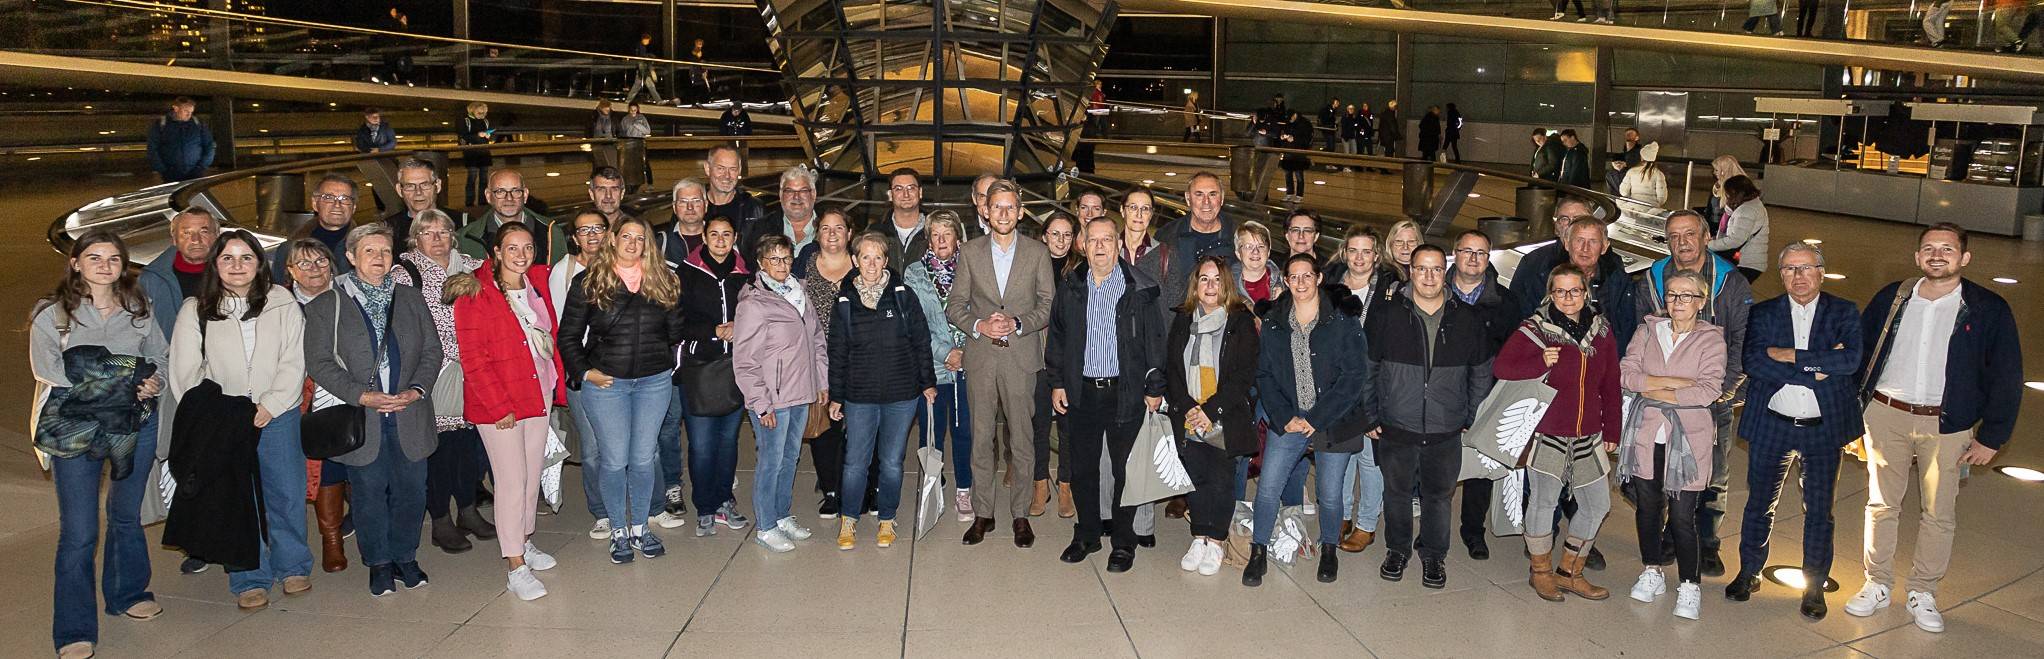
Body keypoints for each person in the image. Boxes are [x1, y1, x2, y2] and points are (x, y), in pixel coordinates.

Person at [1846, 223, 2023, 632]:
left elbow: (2006, 376)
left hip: (1947, 424)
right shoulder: (1894, 297)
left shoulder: (1986, 308)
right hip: (1885, 413)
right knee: (1880, 503)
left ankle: (1923, 590)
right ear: (1917, 257)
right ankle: (1877, 583)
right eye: (1928, 248)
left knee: (1938, 512)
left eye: (1947, 248)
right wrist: (1852, 417)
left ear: (1965, 258)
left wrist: (1992, 437)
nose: (1937, 255)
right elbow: (1860, 353)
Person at [34, 231, 169, 659]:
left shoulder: (139, 309)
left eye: (113, 258)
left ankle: (127, 594)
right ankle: (74, 628)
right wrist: (128, 374)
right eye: (94, 257)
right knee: (79, 531)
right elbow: (53, 371)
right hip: (77, 429)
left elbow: (160, 357)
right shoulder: (52, 315)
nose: (104, 265)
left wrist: (152, 381)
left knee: (125, 515)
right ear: (75, 263)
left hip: (136, 424)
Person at [165, 230, 309, 610]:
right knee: (235, 498)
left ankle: (293, 564)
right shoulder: (197, 308)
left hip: (276, 414)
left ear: (260, 263)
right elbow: (184, 371)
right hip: (224, 421)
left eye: (246, 257)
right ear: (214, 264)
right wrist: (217, 415)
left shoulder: (282, 302)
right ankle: (249, 575)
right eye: (227, 258)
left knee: (286, 493)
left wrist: (272, 404)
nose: (237, 266)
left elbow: (294, 360)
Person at [302, 224, 444, 598]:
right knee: (367, 492)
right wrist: (361, 396)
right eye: (369, 251)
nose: (379, 258)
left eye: (385, 251)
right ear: (350, 257)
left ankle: (405, 556)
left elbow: (433, 350)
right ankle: (378, 562)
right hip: (362, 417)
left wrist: (417, 390)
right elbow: (319, 363)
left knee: (412, 491)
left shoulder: (410, 298)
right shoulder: (326, 305)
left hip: (409, 413)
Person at [1726, 243, 1862, 620]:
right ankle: (1749, 571)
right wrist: (1816, 367)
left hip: (1822, 430)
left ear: (1821, 271)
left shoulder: (1843, 311)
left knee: (1819, 510)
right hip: (1773, 423)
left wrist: (1790, 355)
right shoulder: (1765, 313)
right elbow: (1754, 361)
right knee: (1759, 505)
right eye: (1789, 269)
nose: (1797, 277)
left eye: (1805, 268)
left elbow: (1849, 360)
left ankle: (1814, 585)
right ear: (1780, 273)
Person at [559, 216, 688, 563]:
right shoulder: (589, 281)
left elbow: (675, 333)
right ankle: (618, 528)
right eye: (626, 236)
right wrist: (586, 373)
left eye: (640, 238)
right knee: (614, 460)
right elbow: (567, 336)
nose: (633, 243)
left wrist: (663, 359)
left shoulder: (663, 281)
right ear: (613, 239)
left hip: (653, 382)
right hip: (608, 385)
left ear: (648, 244)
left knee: (644, 458)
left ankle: (640, 528)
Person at [1365, 245, 1494, 590]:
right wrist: (1371, 413)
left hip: (1445, 426)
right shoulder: (1388, 315)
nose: (1429, 276)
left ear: (1445, 272)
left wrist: (1470, 414)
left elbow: (1481, 373)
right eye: (1421, 269)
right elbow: (1369, 367)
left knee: (1439, 496)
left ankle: (1434, 555)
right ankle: (1397, 550)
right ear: (1410, 271)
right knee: (1396, 493)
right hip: (1398, 423)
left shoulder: (1465, 319)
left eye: (1436, 269)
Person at [448, 221, 563, 601]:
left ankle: (525, 541)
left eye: (527, 247)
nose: (521, 255)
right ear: (495, 252)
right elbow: (473, 358)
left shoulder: (533, 286)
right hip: (498, 403)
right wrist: (499, 407)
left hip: (535, 392)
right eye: (512, 248)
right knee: (511, 481)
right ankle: (514, 565)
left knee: (531, 476)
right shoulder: (476, 292)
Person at [1634, 210, 1752, 578]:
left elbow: (1741, 341)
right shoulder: (1653, 279)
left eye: (1689, 234)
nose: (1682, 242)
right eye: (1673, 235)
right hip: (1658, 401)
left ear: (1705, 237)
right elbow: (1642, 334)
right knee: (1660, 469)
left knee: (1712, 472)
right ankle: (1672, 534)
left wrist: (1722, 392)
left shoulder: (1730, 282)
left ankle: (1708, 541)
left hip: (1710, 398)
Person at [1495, 264, 1623, 603]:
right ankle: (1540, 572)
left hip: (1589, 435)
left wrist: (1613, 426)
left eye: (1575, 291)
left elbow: (1611, 383)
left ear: (1586, 292)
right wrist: (1540, 361)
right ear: (1550, 294)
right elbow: (1502, 367)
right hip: (1547, 432)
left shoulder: (1602, 331)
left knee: (1598, 505)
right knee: (1543, 502)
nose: (1569, 298)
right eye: (1561, 291)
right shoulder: (1535, 329)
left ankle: (1569, 572)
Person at [1046, 216, 1167, 571]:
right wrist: (1056, 381)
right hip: (1081, 392)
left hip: (1124, 393)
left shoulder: (1140, 288)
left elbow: (1155, 341)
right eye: (1093, 240)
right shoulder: (1071, 286)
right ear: (1083, 244)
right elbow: (1057, 338)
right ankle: (1086, 534)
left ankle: (1124, 542)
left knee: (1124, 471)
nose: (1100, 247)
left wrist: (1154, 387)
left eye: (1107, 240)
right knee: (1082, 468)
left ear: (1118, 244)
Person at [1245, 252, 1371, 586]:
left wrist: (1316, 418)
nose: (1300, 283)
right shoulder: (1273, 323)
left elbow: (1354, 376)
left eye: (1306, 276)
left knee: (1330, 494)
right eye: (1293, 277)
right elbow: (1265, 375)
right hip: (1287, 419)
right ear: (1285, 282)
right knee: (1268, 488)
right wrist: (1285, 416)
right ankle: (1257, 550)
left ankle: (1329, 547)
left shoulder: (1343, 322)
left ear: (1318, 279)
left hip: (1333, 420)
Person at [944, 180, 1054, 548]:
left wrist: (1019, 323)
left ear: (1020, 212)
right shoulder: (970, 253)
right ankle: (983, 513)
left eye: (1010, 207)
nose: (1003, 214)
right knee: (981, 440)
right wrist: (979, 325)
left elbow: (1047, 304)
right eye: (997, 207)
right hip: (982, 359)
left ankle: (1020, 514)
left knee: (1022, 440)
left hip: (1021, 358)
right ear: (984, 212)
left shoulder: (1037, 253)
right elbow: (955, 305)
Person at [1619, 269, 1727, 621]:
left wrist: (1653, 388)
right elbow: (1626, 375)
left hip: (1689, 440)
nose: (1677, 302)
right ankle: (1652, 570)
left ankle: (1690, 585)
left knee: (1682, 517)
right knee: (1647, 509)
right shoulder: (1647, 330)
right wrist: (1675, 384)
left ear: (1701, 301)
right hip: (1647, 435)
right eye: (1672, 295)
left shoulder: (1712, 340)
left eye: (1686, 296)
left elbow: (1709, 390)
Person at [390, 210, 494, 555]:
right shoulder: (405, 274)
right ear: (414, 239)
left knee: (467, 446)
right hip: (434, 371)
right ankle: (440, 519)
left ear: (454, 235)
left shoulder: (474, 266)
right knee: (439, 449)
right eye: (427, 232)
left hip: (475, 369)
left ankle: (467, 509)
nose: (436, 239)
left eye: (444, 231)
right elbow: (407, 329)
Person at [829, 232, 937, 549]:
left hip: (901, 394)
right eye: (865, 257)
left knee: (891, 462)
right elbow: (837, 352)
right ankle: (848, 520)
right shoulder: (845, 301)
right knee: (855, 463)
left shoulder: (903, 295)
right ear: (855, 260)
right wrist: (837, 395)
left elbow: (921, 341)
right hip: (859, 396)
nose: (872, 264)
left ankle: (886, 520)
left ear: (886, 261)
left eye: (878, 257)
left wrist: (927, 382)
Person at [1163, 255, 1260, 577]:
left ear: (1226, 285)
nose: (1209, 285)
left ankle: (1216, 540)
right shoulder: (1183, 318)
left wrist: (1209, 410)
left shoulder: (1239, 321)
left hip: (1223, 415)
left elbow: (1243, 375)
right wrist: (1189, 407)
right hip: (1189, 413)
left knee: (1220, 481)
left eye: (1216, 279)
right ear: (1195, 284)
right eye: (1204, 279)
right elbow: (1173, 368)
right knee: (1195, 478)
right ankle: (1199, 536)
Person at [732, 234, 829, 552]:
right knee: (770, 462)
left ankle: (782, 514)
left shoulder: (800, 291)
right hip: (772, 399)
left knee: (790, 458)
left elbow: (816, 339)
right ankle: (765, 525)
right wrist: (760, 404)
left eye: (786, 258)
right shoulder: (752, 303)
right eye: (774, 259)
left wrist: (821, 382)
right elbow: (744, 361)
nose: (781, 265)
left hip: (801, 393)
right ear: (760, 263)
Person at [1447, 229, 1523, 561]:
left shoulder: (1505, 301)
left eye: (1481, 253)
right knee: (1439, 464)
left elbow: (1515, 351)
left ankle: (1473, 531)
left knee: (1479, 466)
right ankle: (1432, 532)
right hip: (1439, 393)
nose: (1474, 259)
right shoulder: (1433, 291)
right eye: (1467, 251)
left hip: (1486, 395)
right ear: (1455, 254)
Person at [678, 216, 755, 537]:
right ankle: (705, 507)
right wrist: (713, 331)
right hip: (698, 369)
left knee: (728, 442)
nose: (721, 240)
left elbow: (757, 316)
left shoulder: (746, 275)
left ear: (735, 237)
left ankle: (725, 500)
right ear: (704, 237)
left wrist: (741, 327)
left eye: (727, 234)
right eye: (714, 234)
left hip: (736, 370)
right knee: (701, 445)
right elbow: (675, 321)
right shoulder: (686, 273)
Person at [281, 239, 354, 575]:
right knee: (324, 466)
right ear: (290, 270)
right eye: (304, 263)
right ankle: (331, 540)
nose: (314, 269)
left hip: (351, 389)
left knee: (353, 459)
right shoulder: (280, 306)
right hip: (302, 396)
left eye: (321, 261)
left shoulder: (349, 296)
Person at [1325, 226, 1396, 553]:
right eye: (1353, 250)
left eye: (1366, 251)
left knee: (1369, 457)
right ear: (1344, 253)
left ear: (1377, 256)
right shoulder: (1329, 286)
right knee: (1342, 453)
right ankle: (1340, 515)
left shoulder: (1389, 290)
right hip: (1338, 384)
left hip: (1372, 387)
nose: (1359, 258)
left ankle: (1367, 522)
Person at [547, 211, 617, 538]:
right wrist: (584, 371)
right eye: (583, 230)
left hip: (620, 371)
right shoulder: (564, 273)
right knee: (591, 448)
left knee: (621, 445)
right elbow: (567, 332)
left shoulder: (623, 265)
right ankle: (601, 511)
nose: (591, 235)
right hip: (585, 373)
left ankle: (625, 502)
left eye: (597, 228)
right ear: (575, 237)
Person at [904, 211, 977, 523]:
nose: (942, 240)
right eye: (935, 234)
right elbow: (913, 324)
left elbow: (985, 313)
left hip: (969, 363)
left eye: (947, 233)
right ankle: (934, 486)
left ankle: (964, 490)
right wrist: (946, 352)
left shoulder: (974, 268)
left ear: (957, 236)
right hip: (931, 365)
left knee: (964, 432)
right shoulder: (914, 274)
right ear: (928, 239)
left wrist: (965, 352)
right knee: (931, 434)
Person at [800, 207, 854, 517]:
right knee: (824, 427)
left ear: (850, 233)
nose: (832, 233)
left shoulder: (862, 265)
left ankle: (859, 486)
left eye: (838, 228)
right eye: (825, 228)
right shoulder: (804, 267)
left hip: (857, 360)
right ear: (817, 234)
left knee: (857, 426)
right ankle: (830, 489)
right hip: (816, 361)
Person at [1036, 212, 1081, 516]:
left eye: (1067, 235)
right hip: (1037, 356)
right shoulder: (1032, 265)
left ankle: (1066, 484)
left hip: (1069, 358)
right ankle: (1040, 483)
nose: (1061, 241)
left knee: (1067, 426)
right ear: (1044, 236)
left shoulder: (1080, 269)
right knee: (1038, 422)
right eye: (1055, 234)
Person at [1507, 196, 1606, 318]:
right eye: (1564, 219)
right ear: (1556, 227)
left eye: (1578, 219)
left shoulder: (1610, 265)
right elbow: (1515, 311)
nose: (1570, 225)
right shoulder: (1534, 262)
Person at [1161, 173, 1236, 308]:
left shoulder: (1237, 237)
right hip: (1178, 322)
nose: (1206, 202)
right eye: (1199, 194)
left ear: (1222, 198)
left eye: (1213, 194)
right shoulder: (1168, 236)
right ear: (1188, 198)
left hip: (1227, 322)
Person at [273, 174, 361, 278]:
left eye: (345, 198)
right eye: (328, 198)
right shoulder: (289, 249)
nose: (337, 204)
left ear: (354, 207)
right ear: (315, 204)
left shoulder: (365, 246)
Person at [457, 169, 549, 261]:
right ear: (488, 196)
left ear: (525, 195)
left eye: (515, 191)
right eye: (500, 192)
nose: (509, 198)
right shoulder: (466, 238)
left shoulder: (550, 232)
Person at [703, 145, 771, 250]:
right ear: (707, 168)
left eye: (733, 169)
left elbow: (765, 252)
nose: (727, 176)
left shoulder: (755, 208)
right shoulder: (692, 207)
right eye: (720, 168)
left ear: (739, 170)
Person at [1708, 175, 1771, 281]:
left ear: (1737, 193)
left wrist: (1709, 244)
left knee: (1731, 293)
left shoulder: (1746, 210)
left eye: (1728, 193)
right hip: (1750, 261)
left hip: (1747, 263)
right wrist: (1730, 207)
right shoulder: (1753, 204)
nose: (1727, 196)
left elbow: (1735, 240)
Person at [386, 159, 464, 242]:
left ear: (438, 186)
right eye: (410, 186)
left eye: (425, 185)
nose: (418, 192)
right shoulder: (388, 230)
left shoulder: (462, 223)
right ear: (399, 190)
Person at [145, 96, 214, 183]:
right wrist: (162, 170)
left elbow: (209, 145)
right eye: (186, 111)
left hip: (195, 172)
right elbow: (152, 148)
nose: (189, 115)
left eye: (191, 112)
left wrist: (201, 167)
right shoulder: (161, 124)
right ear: (176, 108)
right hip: (170, 174)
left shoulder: (198, 124)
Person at [878, 168, 930, 265]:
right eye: (898, 189)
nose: (906, 194)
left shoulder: (935, 231)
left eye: (911, 188)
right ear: (890, 195)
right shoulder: (876, 231)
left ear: (920, 192)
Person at [1232, 221, 1283, 314]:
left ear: (1268, 252)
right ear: (1238, 254)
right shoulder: (1228, 286)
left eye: (1261, 246)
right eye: (1248, 247)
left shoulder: (1285, 282)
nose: (1255, 251)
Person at [779, 166, 822, 270]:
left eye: (803, 191)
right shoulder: (761, 228)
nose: (796, 197)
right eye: (789, 191)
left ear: (813, 194)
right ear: (780, 196)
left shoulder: (831, 231)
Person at [458, 102, 494, 208]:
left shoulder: (486, 121)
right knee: (472, 178)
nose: (482, 115)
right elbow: (462, 135)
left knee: (484, 179)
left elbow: (491, 135)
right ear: (472, 111)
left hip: (484, 152)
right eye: (480, 113)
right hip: (471, 153)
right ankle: (469, 204)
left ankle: (483, 202)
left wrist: (488, 135)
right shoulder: (465, 121)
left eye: (484, 113)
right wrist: (478, 135)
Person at [1619, 142, 1668, 211]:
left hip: (1633, 205)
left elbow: (1624, 192)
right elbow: (1662, 197)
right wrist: (1656, 204)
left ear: (1642, 157)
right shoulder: (1658, 174)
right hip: (1650, 208)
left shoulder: (1632, 171)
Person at [1277, 110, 1313, 202]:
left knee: (1299, 175)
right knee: (1287, 174)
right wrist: (1283, 138)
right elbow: (1283, 132)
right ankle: (1289, 193)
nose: (1290, 121)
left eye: (1291, 119)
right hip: (1288, 151)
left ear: (1295, 115)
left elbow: (1307, 139)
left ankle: (1299, 195)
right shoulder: (1288, 122)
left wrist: (1294, 139)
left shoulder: (1305, 124)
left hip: (1299, 153)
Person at [619, 103, 654, 189]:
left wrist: (637, 125)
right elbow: (622, 132)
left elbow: (647, 131)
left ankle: (650, 183)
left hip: (640, 143)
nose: (633, 112)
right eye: (631, 110)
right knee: (629, 164)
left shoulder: (642, 118)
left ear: (637, 110)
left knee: (645, 163)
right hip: (629, 144)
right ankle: (630, 182)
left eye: (635, 110)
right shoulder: (625, 119)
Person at [1608, 128, 1643, 195]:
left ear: (1637, 138)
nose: (1628, 135)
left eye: (1631, 134)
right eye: (1627, 134)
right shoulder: (1624, 151)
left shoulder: (1640, 152)